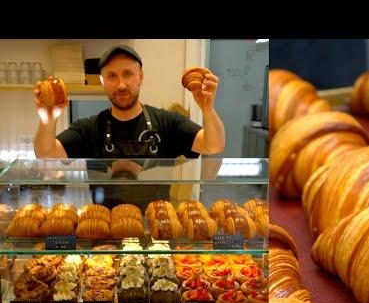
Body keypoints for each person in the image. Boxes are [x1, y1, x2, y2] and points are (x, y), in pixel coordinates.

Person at [32, 45, 226, 208]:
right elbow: (46, 153)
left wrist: (208, 110)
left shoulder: (167, 122)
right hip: (104, 231)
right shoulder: (89, 127)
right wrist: (48, 119)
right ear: (102, 81)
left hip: (156, 227)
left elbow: (213, 145)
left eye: (127, 74)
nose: (121, 84)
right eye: (112, 76)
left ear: (140, 77)